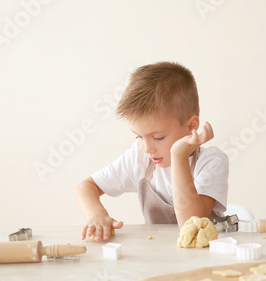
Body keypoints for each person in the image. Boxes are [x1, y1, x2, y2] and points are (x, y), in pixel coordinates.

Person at [75, 62, 229, 241]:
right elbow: (85, 187)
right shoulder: (141, 157)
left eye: (158, 137)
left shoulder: (211, 162)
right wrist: (97, 214)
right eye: (138, 137)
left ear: (191, 126)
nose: (147, 148)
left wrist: (179, 156)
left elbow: (190, 226)